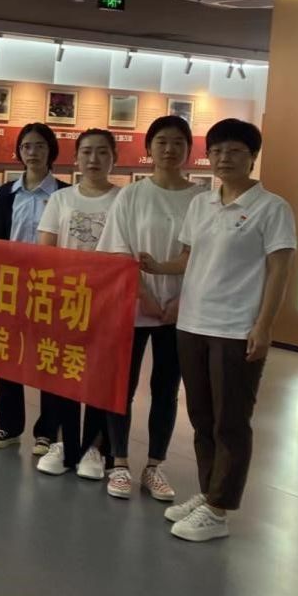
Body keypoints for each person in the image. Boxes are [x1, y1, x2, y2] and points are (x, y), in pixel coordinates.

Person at [141, 119, 295, 542]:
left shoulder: (272, 208)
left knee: (231, 421)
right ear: (208, 156)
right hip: (192, 324)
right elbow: (188, 258)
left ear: (252, 157)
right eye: (217, 151)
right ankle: (209, 492)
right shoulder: (201, 203)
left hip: (235, 328)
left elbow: (279, 271)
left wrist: (264, 326)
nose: (224, 158)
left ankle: (220, 509)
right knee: (202, 417)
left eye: (235, 151)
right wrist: (157, 267)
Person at [96, 115, 205, 502]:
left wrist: (179, 299)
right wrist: (145, 295)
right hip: (133, 306)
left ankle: (155, 465)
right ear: (148, 149)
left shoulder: (201, 199)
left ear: (188, 149)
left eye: (178, 142)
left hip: (181, 310)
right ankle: (119, 462)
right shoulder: (132, 195)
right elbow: (118, 250)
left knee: (166, 388)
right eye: (161, 142)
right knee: (121, 385)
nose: (169, 149)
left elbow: (204, 256)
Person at [34, 128, 119, 480]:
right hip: (67, 301)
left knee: (100, 376)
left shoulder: (123, 200)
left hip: (109, 304)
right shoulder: (61, 199)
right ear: (76, 158)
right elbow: (45, 250)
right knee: (64, 372)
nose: (93, 159)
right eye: (86, 152)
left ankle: (94, 447)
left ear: (114, 158)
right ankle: (64, 444)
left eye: (102, 152)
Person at [0, 123, 65, 452]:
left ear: (51, 151)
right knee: (10, 354)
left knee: (49, 357)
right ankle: (8, 426)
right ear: (19, 151)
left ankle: (48, 432)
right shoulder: (6, 194)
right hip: (12, 285)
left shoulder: (63, 194)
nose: (33, 152)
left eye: (40, 146)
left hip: (51, 287)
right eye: (27, 146)